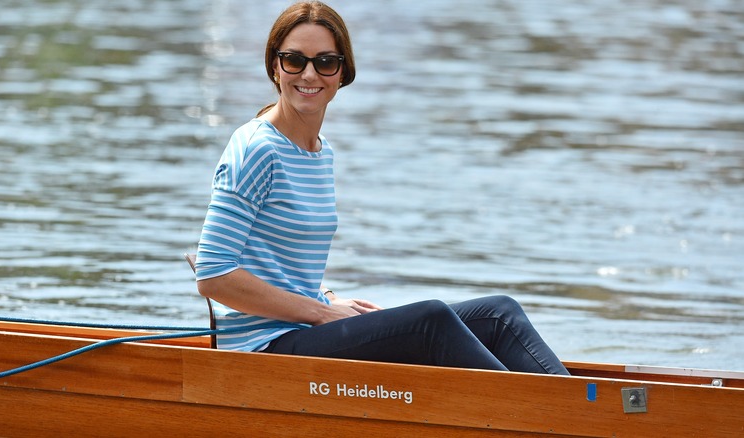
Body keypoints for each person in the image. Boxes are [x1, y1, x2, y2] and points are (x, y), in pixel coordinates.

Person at [195, 1, 569, 375]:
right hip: (262, 349)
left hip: (305, 326)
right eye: (295, 60)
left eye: (325, 62)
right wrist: (323, 312)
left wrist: (329, 298)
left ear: (342, 73)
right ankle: (540, 416)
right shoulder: (256, 148)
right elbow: (213, 273)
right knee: (430, 319)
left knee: (499, 313)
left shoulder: (319, 152)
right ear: (275, 66)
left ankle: (578, 408)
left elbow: (280, 262)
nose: (309, 74)